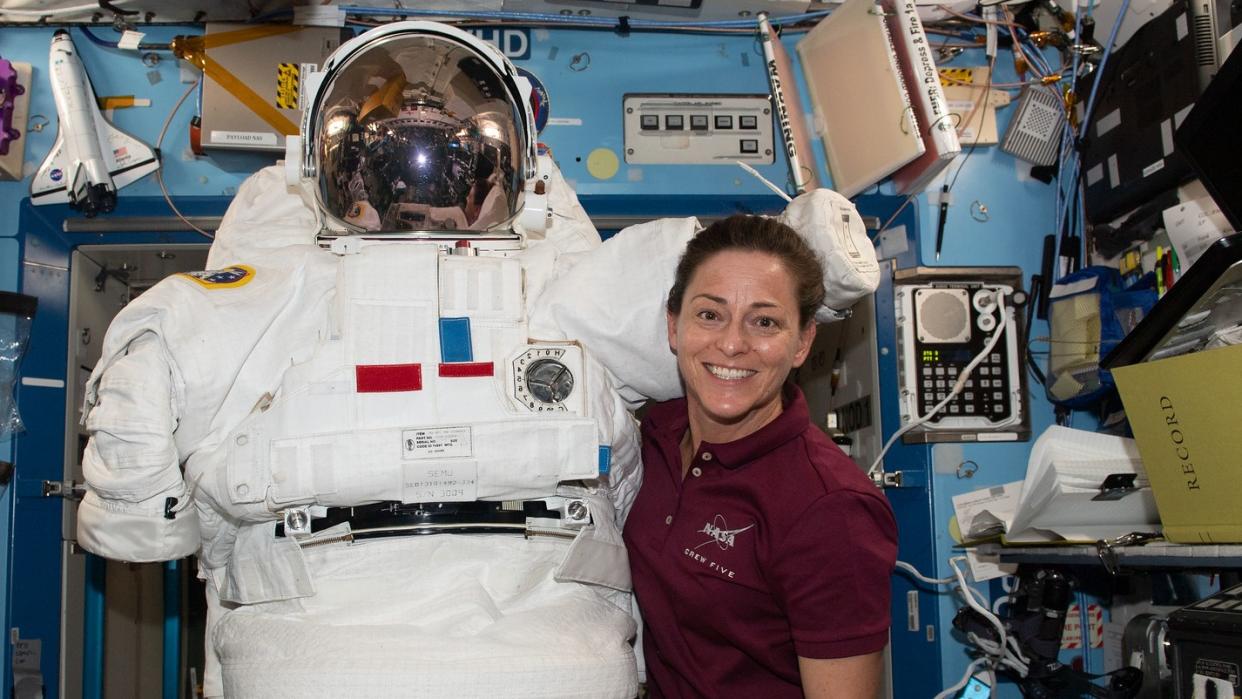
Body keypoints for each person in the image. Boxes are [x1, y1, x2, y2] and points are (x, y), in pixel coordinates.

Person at [73, 20, 883, 698]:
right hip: (379, 650)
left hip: (450, 649)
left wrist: (812, 251)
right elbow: (157, 362)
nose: (419, 191)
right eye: (393, 163)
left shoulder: (558, 282)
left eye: (446, 161)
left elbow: (707, 291)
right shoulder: (280, 278)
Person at [623, 215, 899, 699]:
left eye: (765, 321)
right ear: (674, 326)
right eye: (710, 314)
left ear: (803, 342)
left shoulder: (830, 509)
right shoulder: (656, 437)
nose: (732, 344)